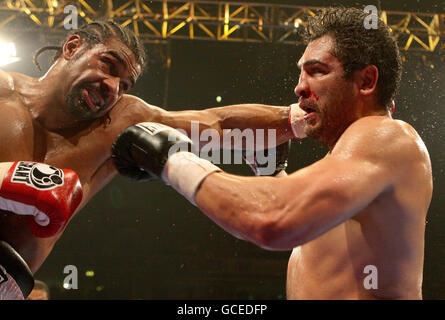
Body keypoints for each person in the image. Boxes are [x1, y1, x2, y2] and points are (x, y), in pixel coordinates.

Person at [112, 7, 433, 299]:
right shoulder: (354, 167)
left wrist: (172, 160)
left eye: (317, 71)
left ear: (366, 81)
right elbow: (320, 248)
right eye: (301, 72)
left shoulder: (388, 136)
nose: (299, 87)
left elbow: (273, 220)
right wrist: (272, 175)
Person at [0, 20, 300, 299]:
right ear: (72, 47)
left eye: (125, 85)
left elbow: (215, 123)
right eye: (108, 65)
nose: (112, 87)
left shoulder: (117, 122)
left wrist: (302, 118)